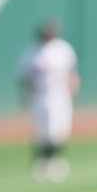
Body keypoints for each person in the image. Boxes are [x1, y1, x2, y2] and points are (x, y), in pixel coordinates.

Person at [18, 20, 79, 182]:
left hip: (59, 95)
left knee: (58, 130)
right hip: (40, 95)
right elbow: (24, 75)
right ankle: (41, 161)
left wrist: (72, 87)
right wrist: (25, 95)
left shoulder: (63, 49)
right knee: (41, 131)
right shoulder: (32, 51)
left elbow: (71, 72)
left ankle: (56, 160)